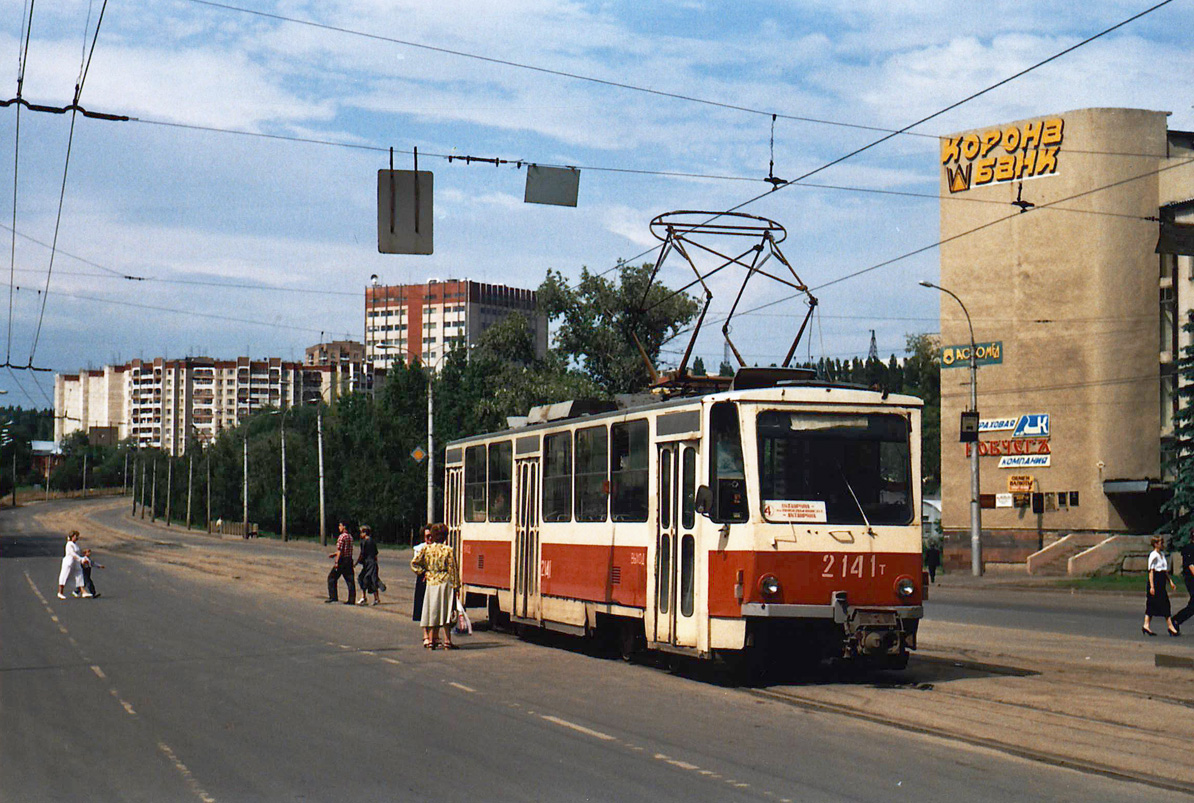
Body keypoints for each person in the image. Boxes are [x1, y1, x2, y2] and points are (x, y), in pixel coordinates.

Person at [410, 523, 460, 649]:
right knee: (446, 611)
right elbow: (453, 569)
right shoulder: (448, 550)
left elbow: (414, 563)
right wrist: (456, 586)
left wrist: (424, 573)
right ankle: (447, 640)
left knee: (432, 611)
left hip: (431, 583)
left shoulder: (426, 549)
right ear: (444, 536)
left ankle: (431, 639)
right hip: (444, 583)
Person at [1143, 535, 1178, 637]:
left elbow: (1164, 571)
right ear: (1155, 544)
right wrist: (1152, 586)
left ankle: (1146, 625)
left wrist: (1170, 581)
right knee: (1155, 603)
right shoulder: (1153, 555)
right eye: (1160, 543)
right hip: (1155, 581)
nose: (1162, 544)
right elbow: (1151, 571)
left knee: (1163, 603)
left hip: (1161, 580)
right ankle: (1170, 626)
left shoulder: (1162, 555)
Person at [326, 521, 356, 604]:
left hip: (342, 561)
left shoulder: (341, 537)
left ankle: (333, 596)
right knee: (350, 580)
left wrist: (336, 562)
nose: (339, 527)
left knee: (332, 578)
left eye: (340, 525)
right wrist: (334, 554)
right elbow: (346, 550)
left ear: (344, 527)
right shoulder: (350, 537)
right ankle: (351, 599)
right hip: (349, 560)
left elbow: (340, 551)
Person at [57, 531, 88, 600]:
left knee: (79, 575)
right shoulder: (69, 544)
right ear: (71, 537)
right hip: (68, 563)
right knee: (64, 576)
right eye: (75, 536)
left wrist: (84, 557)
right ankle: (60, 592)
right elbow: (73, 554)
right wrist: (81, 560)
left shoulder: (75, 544)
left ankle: (83, 592)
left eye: (77, 536)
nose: (77, 538)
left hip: (76, 563)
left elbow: (78, 553)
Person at [356, 525, 382, 606]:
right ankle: (365, 597)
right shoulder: (371, 541)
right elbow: (375, 554)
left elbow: (362, 554)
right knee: (364, 578)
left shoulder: (365, 542)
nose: (360, 534)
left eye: (361, 532)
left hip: (370, 563)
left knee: (370, 580)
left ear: (364, 532)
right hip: (370, 563)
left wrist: (356, 563)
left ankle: (376, 598)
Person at [1172, 540, 1194, 635]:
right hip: (1191, 580)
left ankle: (1176, 620)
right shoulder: (1189, 548)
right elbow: (1191, 566)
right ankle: (1176, 620)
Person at [411, 525, 432, 622]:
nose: (430, 539)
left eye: (431, 536)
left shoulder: (439, 548)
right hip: (423, 578)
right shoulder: (420, 548)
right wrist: (423, 573)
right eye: (427, 536)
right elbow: (415, 564)